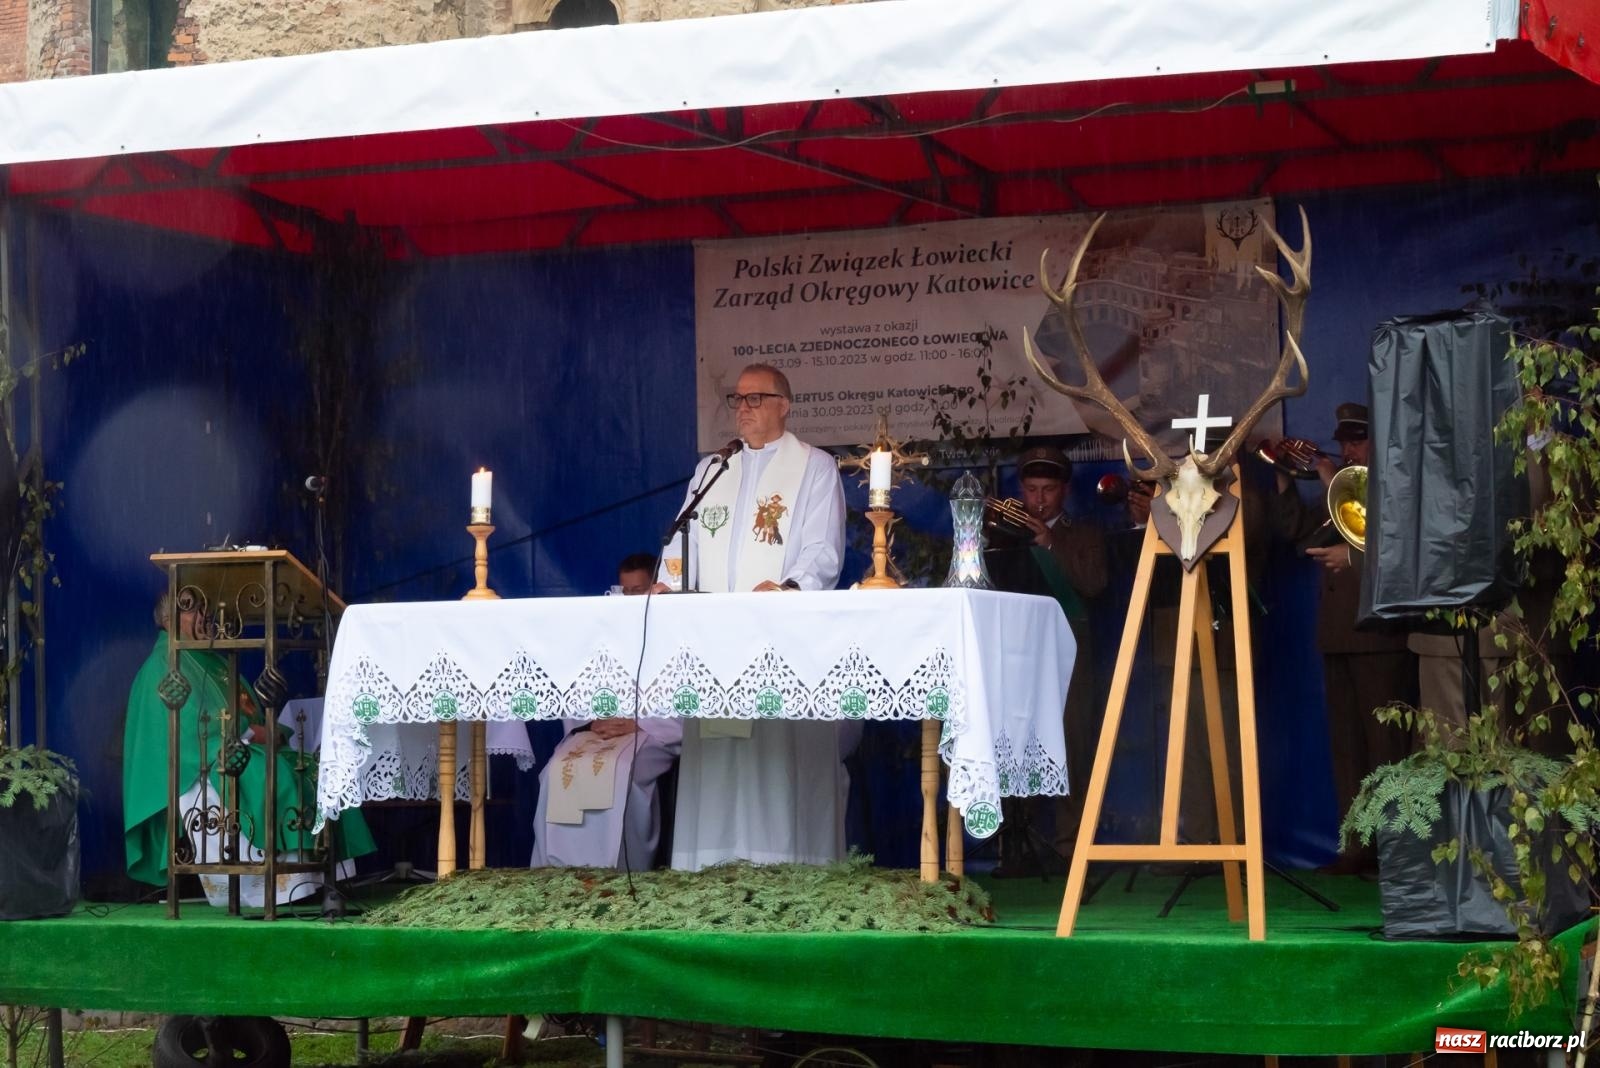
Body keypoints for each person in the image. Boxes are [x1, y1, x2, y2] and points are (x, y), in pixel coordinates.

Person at [655, 362, 856, 871]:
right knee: (722, 766)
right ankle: (709, 865)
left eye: (754, 399)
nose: (742, 409)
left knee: (774, 764)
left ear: (783, 405)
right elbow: (687, 539)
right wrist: (669, 582)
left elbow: (822, 549)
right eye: (737, 400)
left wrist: (790, 587)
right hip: (716, 641)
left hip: (778, 639)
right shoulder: (712, 470)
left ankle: (787, 864)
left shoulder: (813, 467)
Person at [123, 591, 375, 889]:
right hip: (201, 767)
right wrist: (253, 733)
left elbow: (247, 713)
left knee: (317, 768)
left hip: (237, 747)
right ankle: (280, 885)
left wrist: (264, 733)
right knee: (274, 774)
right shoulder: (162, 666)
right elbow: (189, 732)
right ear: (168, 620)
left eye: (204, 608)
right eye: (192, 610)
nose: (204, 617)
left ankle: (323, 876)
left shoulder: (207, 659)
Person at [1268, 401, 1411, 873]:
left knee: (1387, 748)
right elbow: (1296, 532)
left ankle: (1396, 848)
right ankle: (1357, 846)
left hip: (1379, 635)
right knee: (1347, 746)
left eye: (1358, 440)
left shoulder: (1391, 487)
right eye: (1345, 441)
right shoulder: (1340, 491)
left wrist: (1335, 483)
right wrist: (1286, 476)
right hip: (1337, 633)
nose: (1349, 449)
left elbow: (1393, 547)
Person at [984, 445, 1107, 870]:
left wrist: (1049, 543)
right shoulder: (999, 533)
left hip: (1068, 648)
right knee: (1017, 741)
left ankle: (1071, 848)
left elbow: (1094, 584)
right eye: (1032, 489)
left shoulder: (1083, 533)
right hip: (1017, 649)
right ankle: (1016, 847)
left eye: (1048, 490)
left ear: (1065, 491)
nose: (1039, 499)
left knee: (1072, 741)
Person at [529, 553, 684, 869]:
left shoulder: (674, 629)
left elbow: (681, 705)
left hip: (649, 733)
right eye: (625, 592)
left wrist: (639, 723)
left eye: (639, 591)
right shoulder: (606, 631)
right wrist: (592, 722)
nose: (630, 600)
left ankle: (623, 868)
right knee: (557, 769)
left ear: (656, 587)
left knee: (617, 771)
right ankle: (557, 869)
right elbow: (583, 690)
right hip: (602, 730)